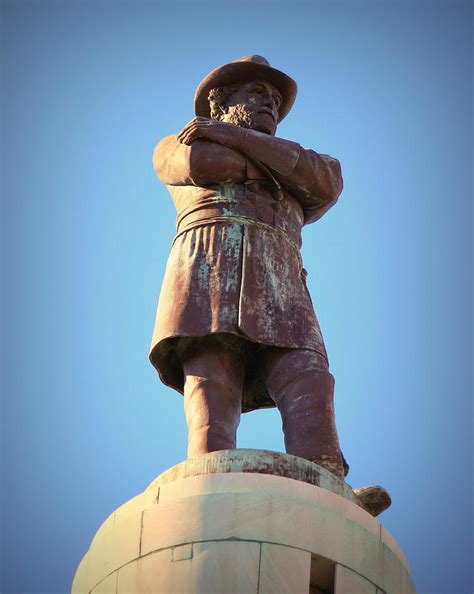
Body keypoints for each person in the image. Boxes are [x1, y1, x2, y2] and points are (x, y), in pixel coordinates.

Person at [149, 55, 348, 480]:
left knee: (307, 375)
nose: (270, 104)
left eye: (276, 98)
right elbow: (201, 164)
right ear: (221, 101)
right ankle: (208, 476)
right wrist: (279, 170)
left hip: (280, 276)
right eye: (257, 93)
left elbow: (326, 180)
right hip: (208, 263)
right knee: (211, 377)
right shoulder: (176, 142)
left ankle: (328, 477)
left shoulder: (218, 134)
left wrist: (228, 137)